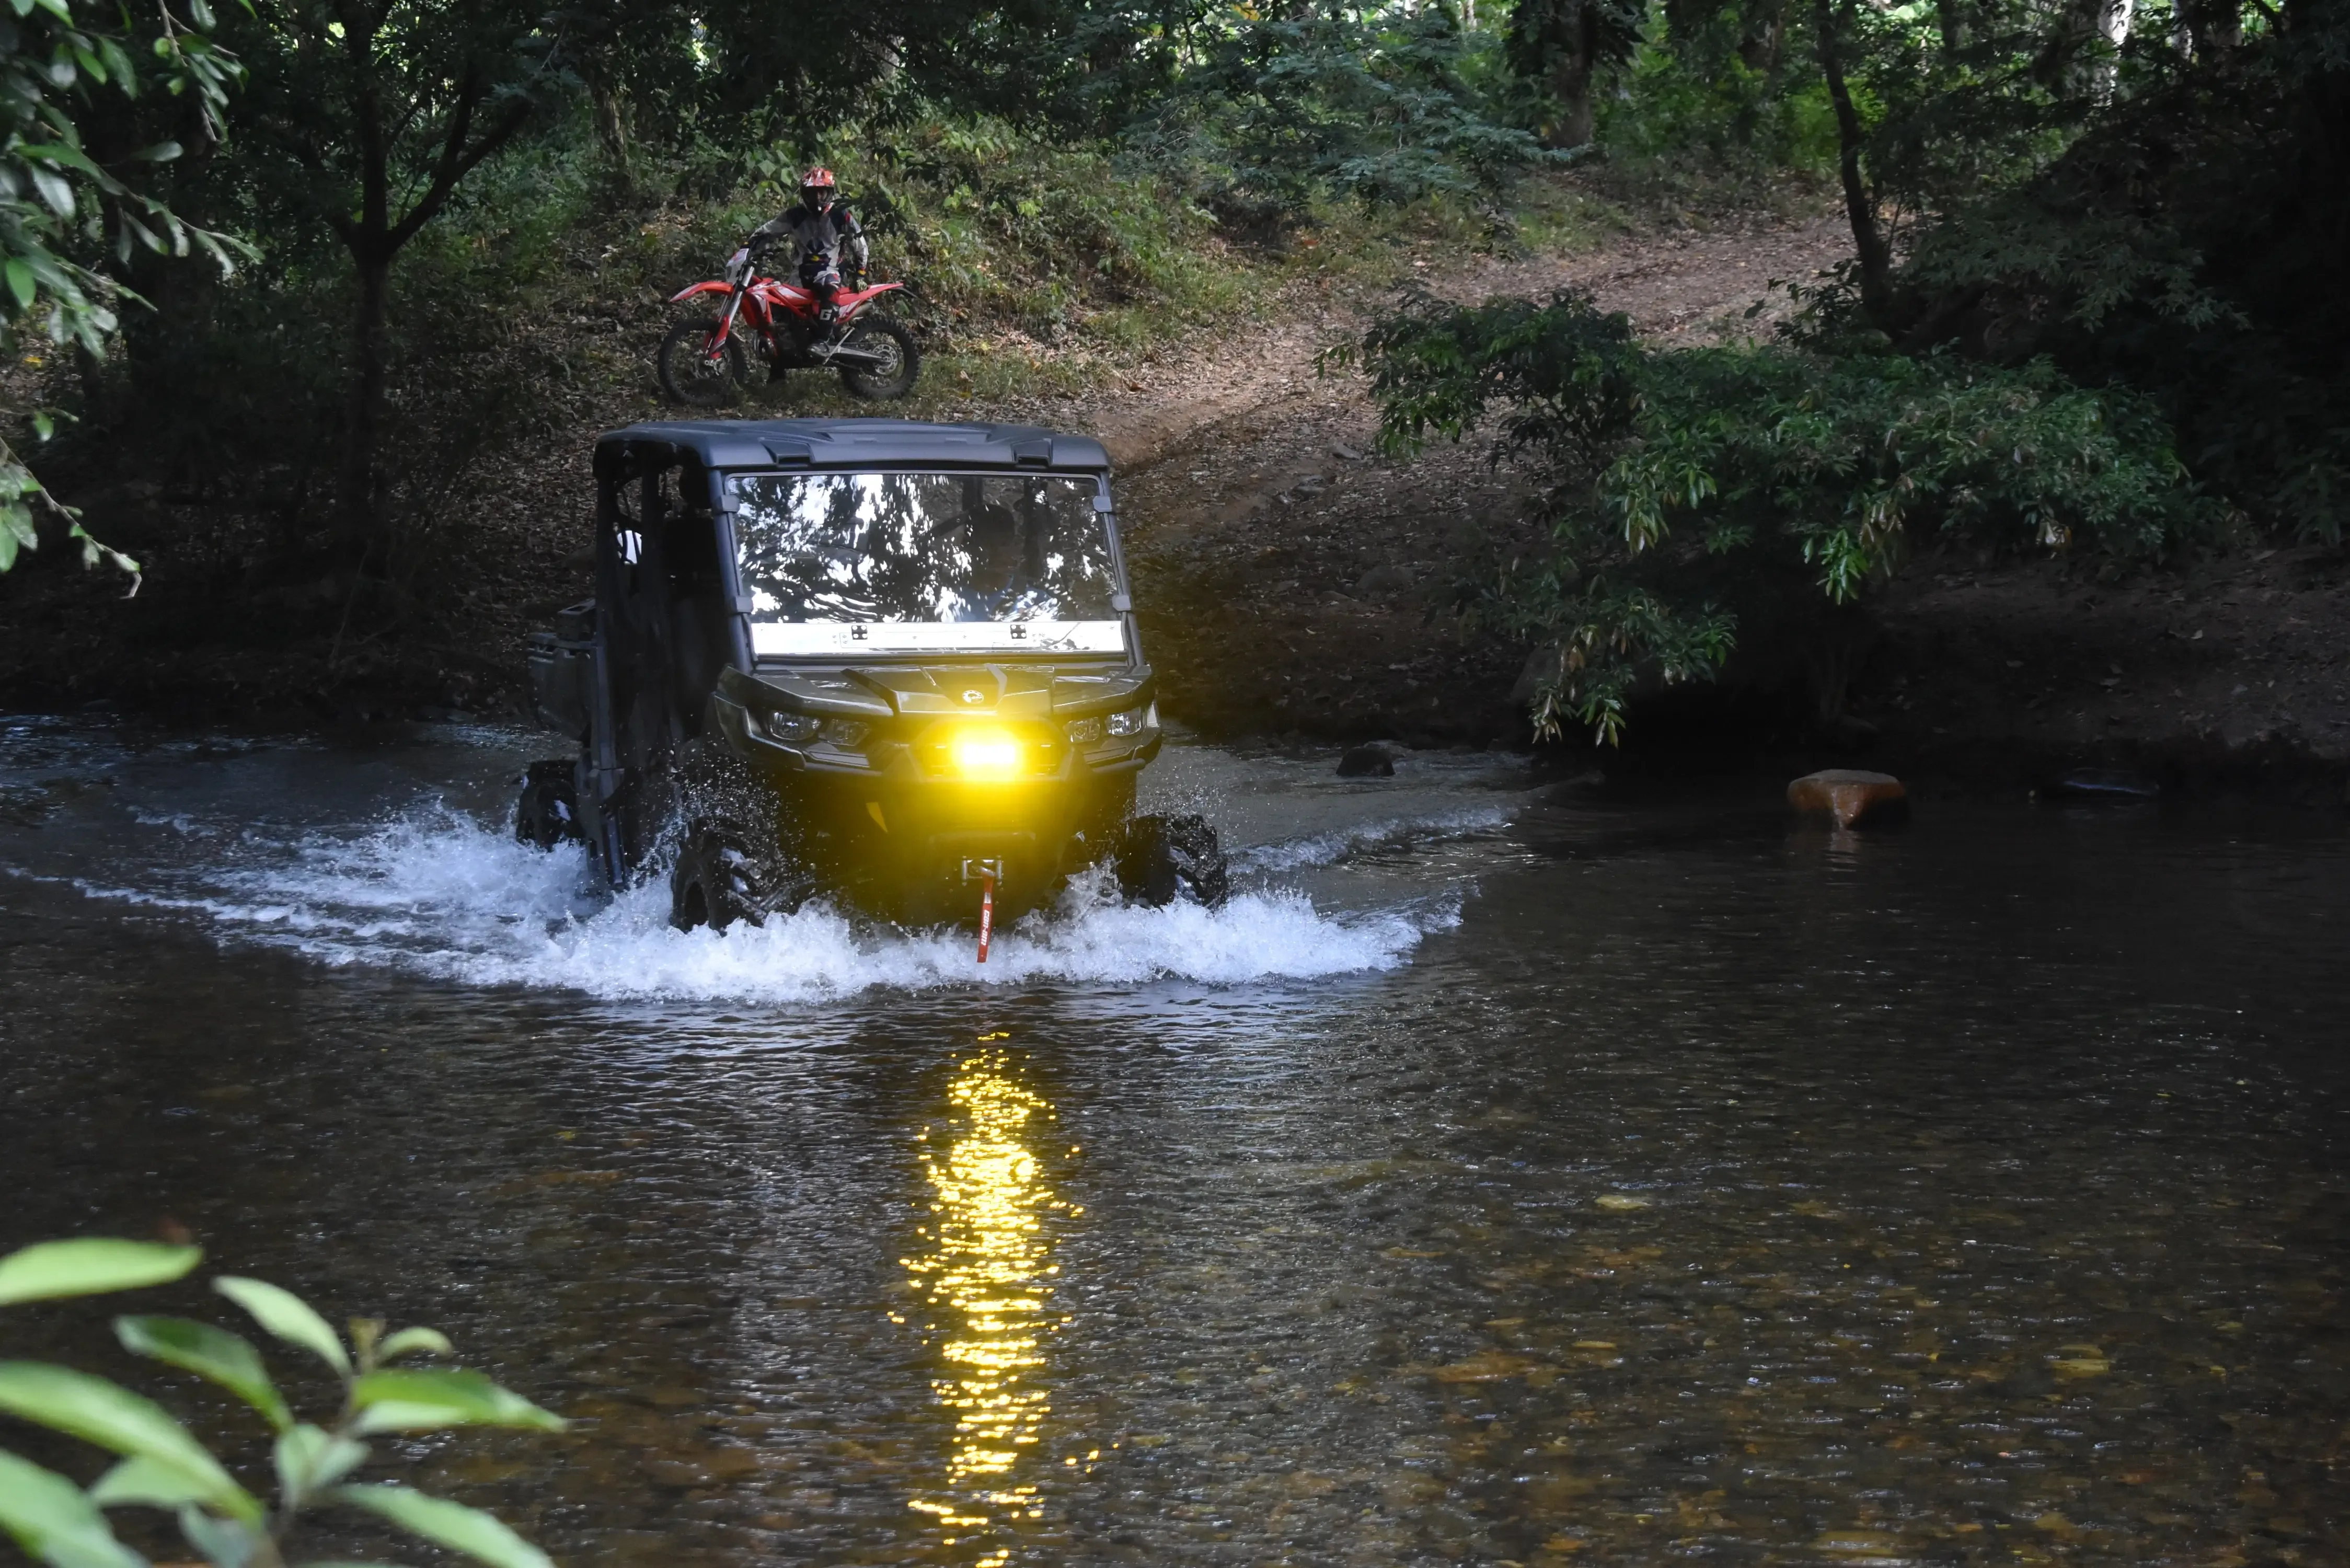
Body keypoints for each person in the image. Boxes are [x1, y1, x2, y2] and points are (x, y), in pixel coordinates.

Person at [750, 166, 869, 322]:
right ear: (805, 194)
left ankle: (823, 341)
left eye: (822, 192)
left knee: (829, 287)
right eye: (813, 193)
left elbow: (860, 244)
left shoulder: (840, 215)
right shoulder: (795, 215)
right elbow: (767, 231)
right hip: (800, 273)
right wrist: (748, 246)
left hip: (830, 271)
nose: (818, 197)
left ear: (830, 193)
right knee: (779, 306)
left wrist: (860, 274)